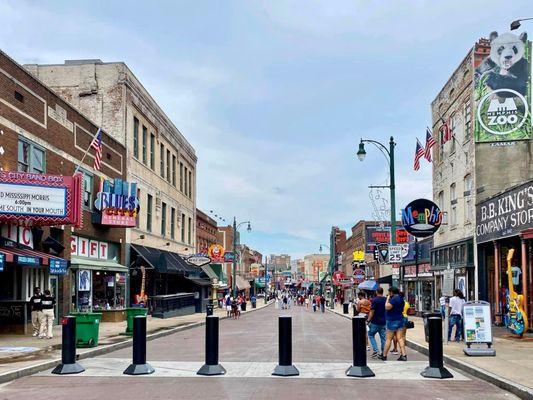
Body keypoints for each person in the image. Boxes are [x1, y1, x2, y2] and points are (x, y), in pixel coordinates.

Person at [378, 287, 407, 361]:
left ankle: (384, 355)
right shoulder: (401, 298)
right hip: (400, 319)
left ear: (391, 292)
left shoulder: (394, 298)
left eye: (389, 292)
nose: (388, 294)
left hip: (392, 320)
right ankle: (403, 355)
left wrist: (387, 299)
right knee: (400, 338)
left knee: (388, 339)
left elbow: (387, 307)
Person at [368, 287, 387, 358]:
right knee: (383, 338)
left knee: (370, 334)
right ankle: (383, 353)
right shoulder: (386, 299)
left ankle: (376, 350)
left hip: (375, 322)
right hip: (383, 322)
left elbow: (372, 311)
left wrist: (368, 320)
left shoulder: (375, 300)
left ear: (376, 292)